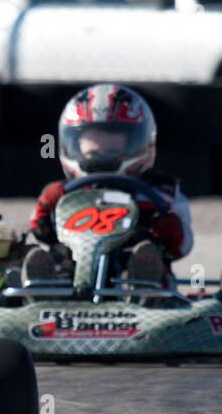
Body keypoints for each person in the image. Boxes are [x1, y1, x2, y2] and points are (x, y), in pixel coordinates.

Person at [20, 83, 193, 289]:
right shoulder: (61, 193)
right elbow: (39, 233)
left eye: (112, 149)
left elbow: (181, 247)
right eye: (94, 152)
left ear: (144, 142)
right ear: (72, 144)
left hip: (137, 280)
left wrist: (170, 228)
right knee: (59, 252)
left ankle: (140, 281)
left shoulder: (161, 192)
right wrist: (44, 213)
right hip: (73, 267)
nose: (103, 157)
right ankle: (44, 285)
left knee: (143, 246)